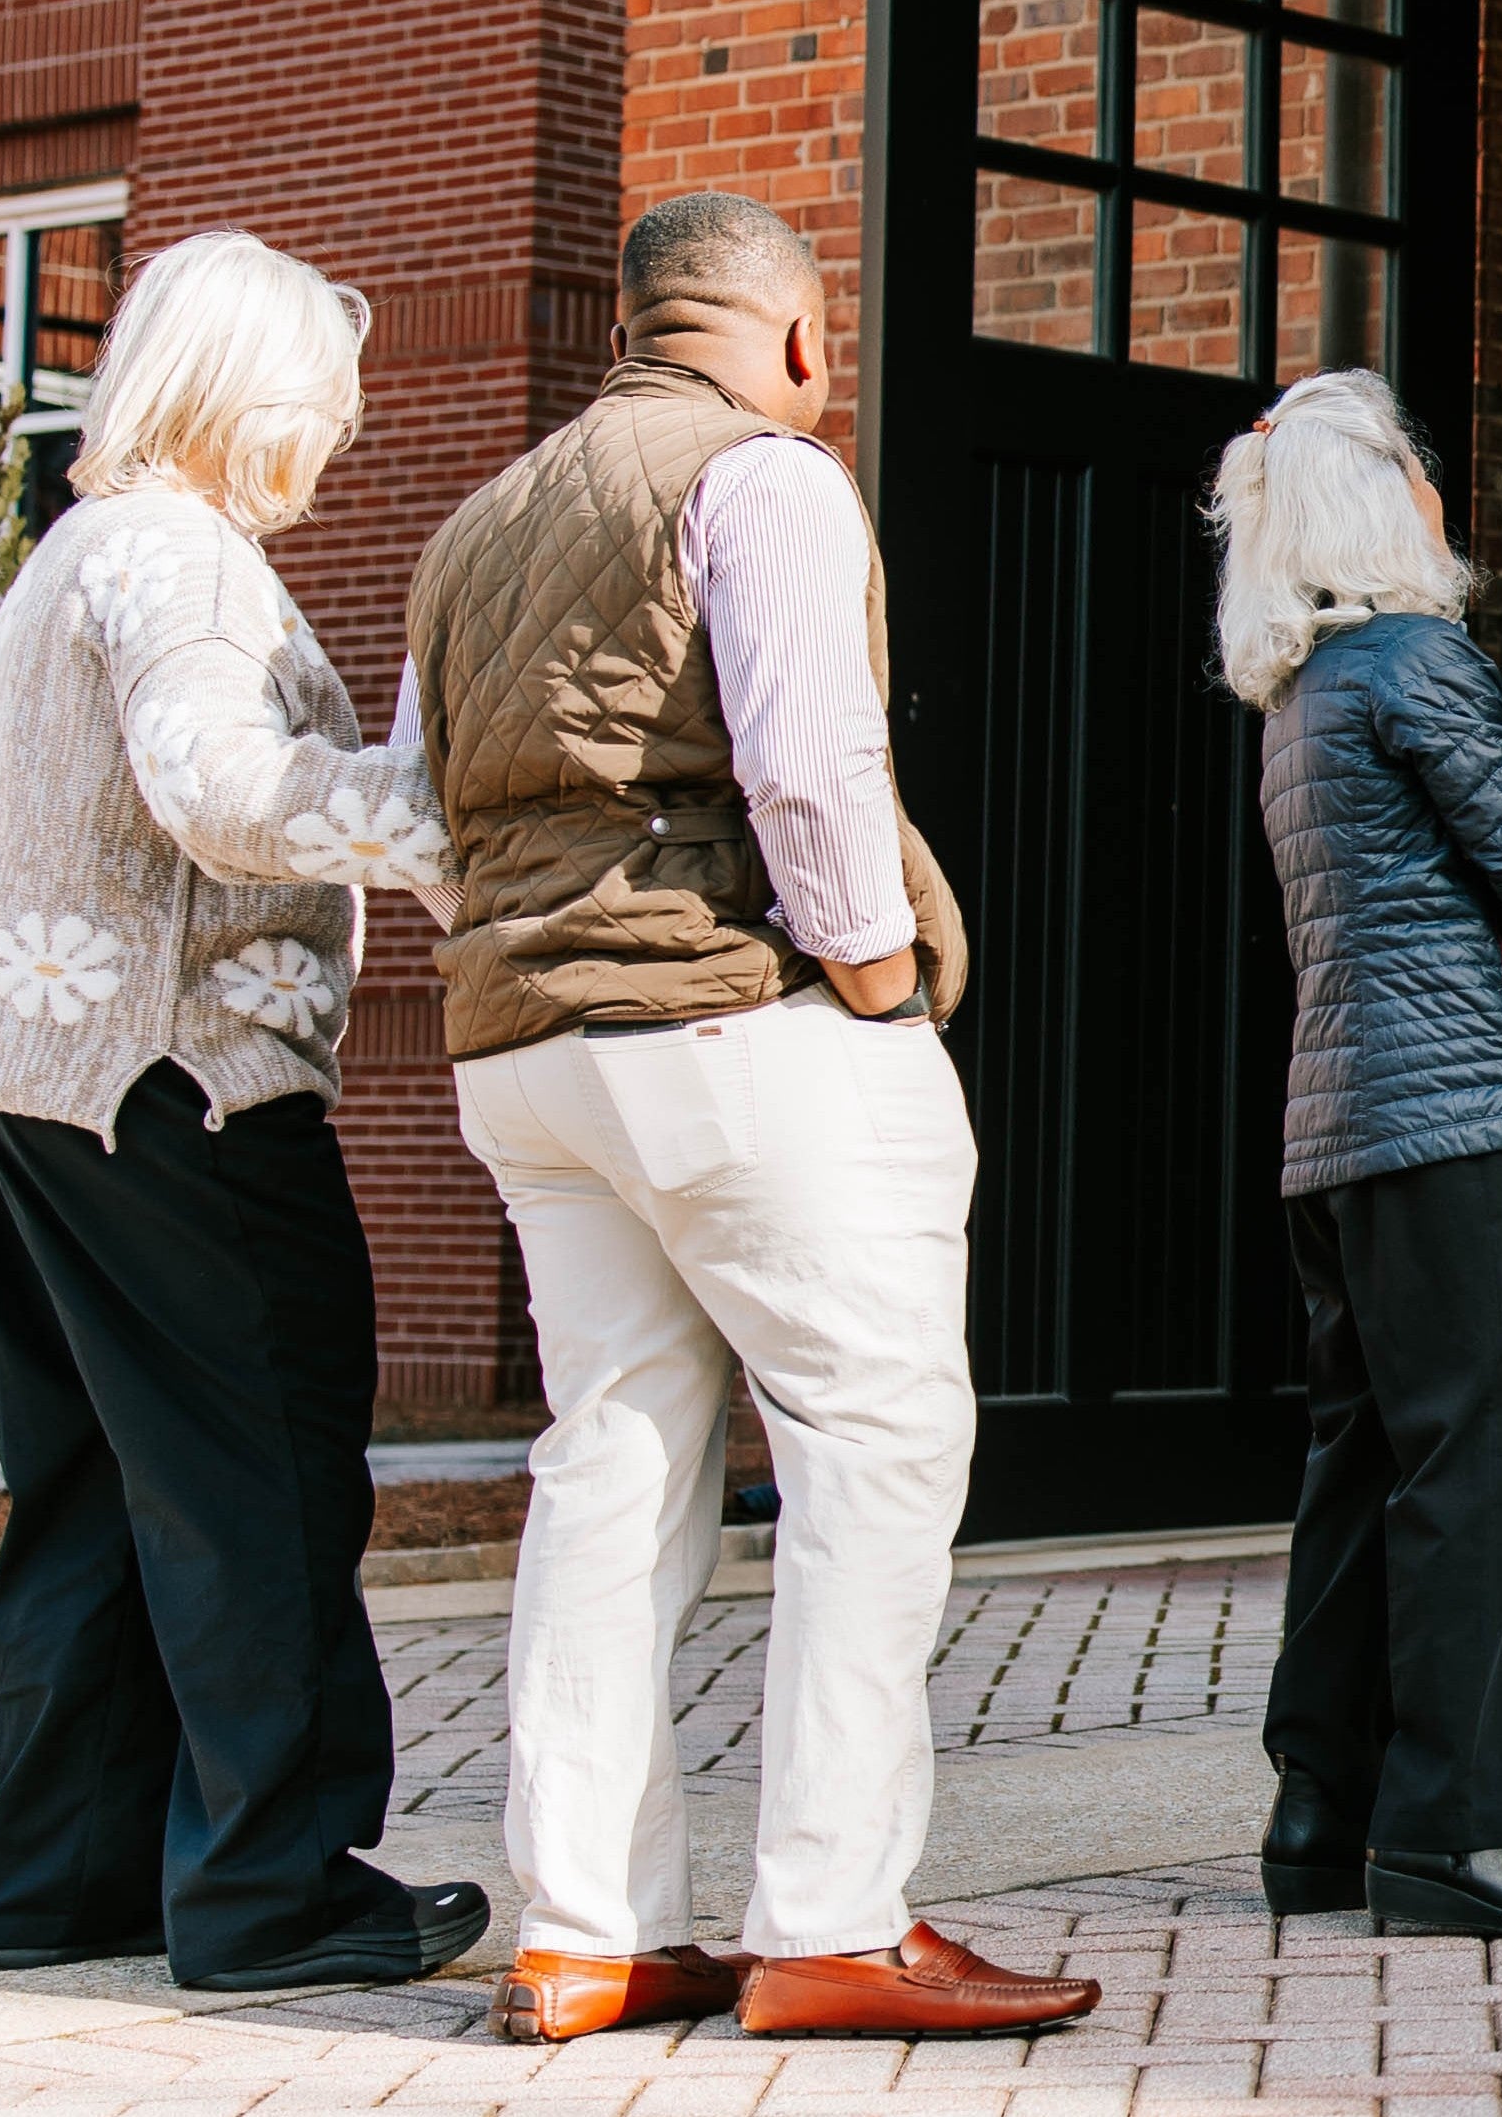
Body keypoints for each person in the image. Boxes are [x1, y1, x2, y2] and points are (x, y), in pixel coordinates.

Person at [410, 194, 1090, 2043]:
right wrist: (878, 979)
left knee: (613, 1459)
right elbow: (808, 769)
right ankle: (832, 1921)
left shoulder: (478, 525)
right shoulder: (766, 477)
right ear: (798, 339)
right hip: (727, 1020)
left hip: (523, 1050)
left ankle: (586, 1933)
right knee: (877, 1438)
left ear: (629, 326)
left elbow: (422, 805)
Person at [0, 232, 482, 1995]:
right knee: (266, 1467)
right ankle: (270, 1889)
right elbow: (218, 786)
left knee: (97, 1478)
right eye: (325, 402)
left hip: (25, 1077)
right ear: (250, 396)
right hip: (178, 1079)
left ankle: (57, 1877)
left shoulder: (79, 547)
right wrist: (428, 810)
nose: (337, 435)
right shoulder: (186, 562)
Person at [1211, 371, 1502, 1940]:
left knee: (1365, 1459)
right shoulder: (1417, 658)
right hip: (1448, 1116)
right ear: (1382, 497)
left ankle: (1323, 1808)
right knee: (1478, 1463)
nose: (1442, 486)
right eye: (1420, 464)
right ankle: (1451, 1830)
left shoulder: (1301, 691)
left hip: (1339, 1124)